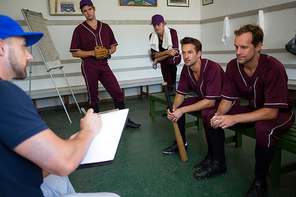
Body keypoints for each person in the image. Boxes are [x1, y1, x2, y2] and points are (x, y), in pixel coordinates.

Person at [0, 14, 119, 197]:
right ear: (1, 47)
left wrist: (70, 144)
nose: (30, 56)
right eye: (23, 47)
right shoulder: (6, 94)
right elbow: (64, 163)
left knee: (57, 178)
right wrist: (88, 131)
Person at [198, 24, 295, 197]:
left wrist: (234, 119)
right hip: (254, 107)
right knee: (209, 113)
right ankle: (218, 162)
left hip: (280, 113)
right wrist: (220, 115)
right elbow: (227, 98)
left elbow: (271, 113)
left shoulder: (274, 68)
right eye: (236, 46)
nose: (238, 52)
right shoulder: (234, 66)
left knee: (263, 128)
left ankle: (260, 182)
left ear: (258, 46)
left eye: (244, 47)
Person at [70, 0, 140, 128]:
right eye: (84, 10)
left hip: (104, 63)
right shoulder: (79, 29)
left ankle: (124, 121)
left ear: (94, 9)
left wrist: (107, 51)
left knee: (117, 92)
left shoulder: (105, 27)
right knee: (93, 96)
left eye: (89, 9)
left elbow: (113, 46)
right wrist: (92, 53)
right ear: (82, 12)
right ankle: (94, 124)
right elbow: (75, 52)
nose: (88, 12)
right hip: (89, 65)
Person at [163, 37, 225, 167]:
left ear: (199, 54)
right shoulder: (186, 68)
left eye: (190, 52)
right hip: (205, 99)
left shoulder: (213, 68)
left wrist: (182, 110)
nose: (186, 56)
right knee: (178, 107)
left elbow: (210, 102)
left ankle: (212, 156)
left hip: (221, 102)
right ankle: (181, 143)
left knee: (207, 113)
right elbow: (180, 94)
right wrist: (173, 108)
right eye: (184, 52)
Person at [149, 14, 181, 96]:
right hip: (164, 58)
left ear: (164, 24)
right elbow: (155, 55)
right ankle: (169, 89)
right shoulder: (152, 36)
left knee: (170, 59)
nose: (156, 27)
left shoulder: (172, 32)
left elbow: (174, 51)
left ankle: (173, 85)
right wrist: (166, 52)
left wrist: (159, 58)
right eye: (154, 25)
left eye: (158, 24)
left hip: (175, 56)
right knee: (164, 66)